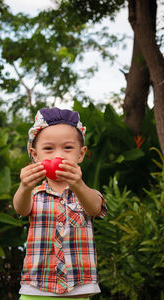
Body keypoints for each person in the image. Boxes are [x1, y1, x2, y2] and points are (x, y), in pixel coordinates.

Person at [13, 107, 107, 300]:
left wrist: (78, 184)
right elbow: (20, 209)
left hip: (78, 287)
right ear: (35, 154)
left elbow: (94, 208)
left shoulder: (85, 193)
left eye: (68, 148)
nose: (58, 155)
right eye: (48, 148)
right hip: (37, 286)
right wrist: (24, 187)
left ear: (81, 154)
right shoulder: (34, 194)